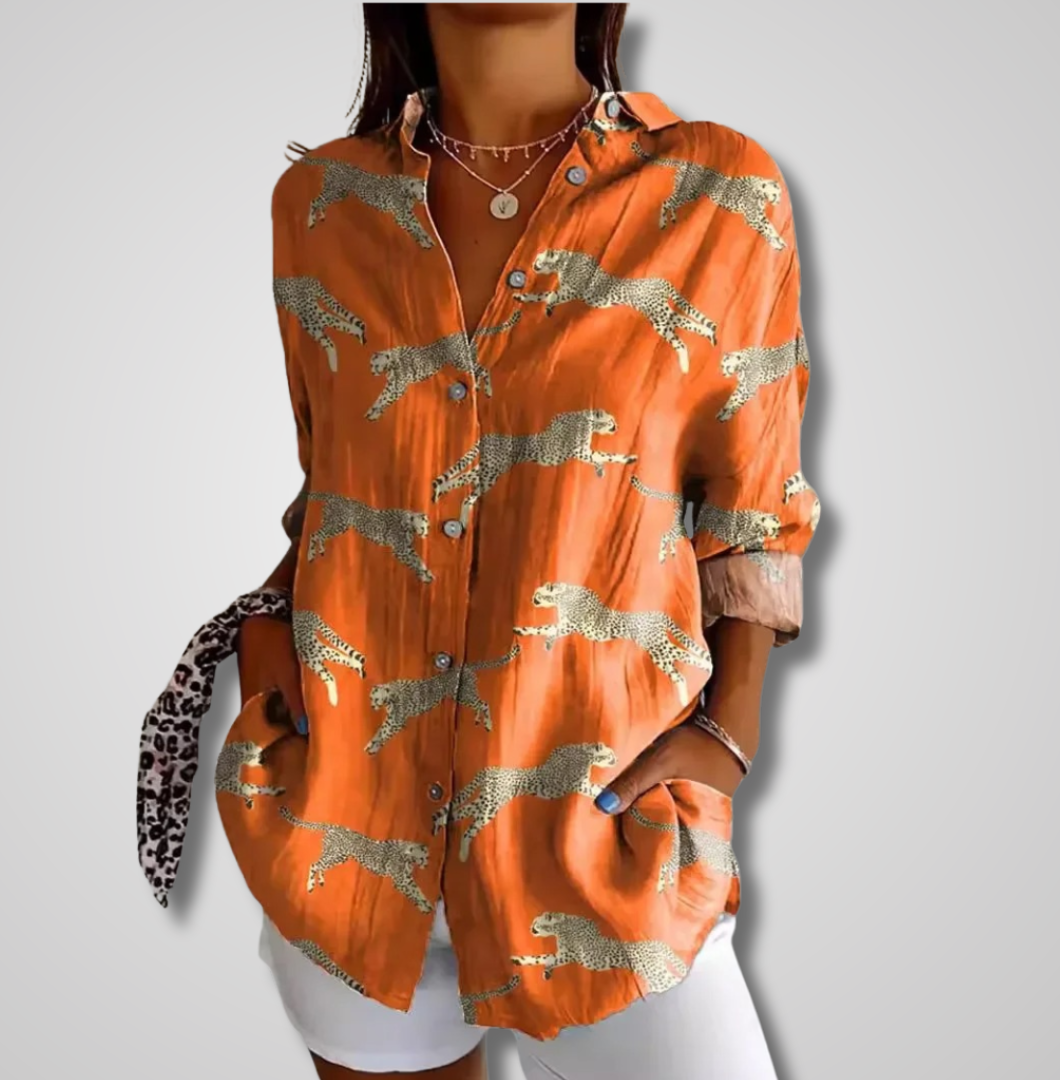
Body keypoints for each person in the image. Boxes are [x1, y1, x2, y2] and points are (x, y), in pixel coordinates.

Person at [136, 3, 820, 1077]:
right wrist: (269, 654)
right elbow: (340, 482)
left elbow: (755, 506)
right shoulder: (320, 207)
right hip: (352, 837)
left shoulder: (719, 193)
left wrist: (729, 736)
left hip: (606, 842)